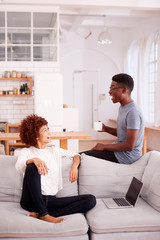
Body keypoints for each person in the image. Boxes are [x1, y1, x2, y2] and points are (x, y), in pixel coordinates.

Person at [15, 114, 96, 224]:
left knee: (90, 200)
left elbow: (76, 155)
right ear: (36, 136)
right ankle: (44, 214)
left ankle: (44, 215)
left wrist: (74, 167)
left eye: (48, 129)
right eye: (45, 130)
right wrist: (33, 160)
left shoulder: (54, 151)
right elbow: (19, 165)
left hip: (49, 200)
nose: (49, 133)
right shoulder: (27, 152)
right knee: (32, 167)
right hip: (30, 201)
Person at [82, 73, 144, 164]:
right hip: (120, 153)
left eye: (113, 88)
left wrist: (103, 146)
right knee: (81, 156)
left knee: (83, 159)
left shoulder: (133, 111)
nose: (109, 92)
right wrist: (106, 129)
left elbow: (130, 145)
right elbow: (124, 134)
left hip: (127, 157)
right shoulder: (123, 107)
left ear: (124, 90)